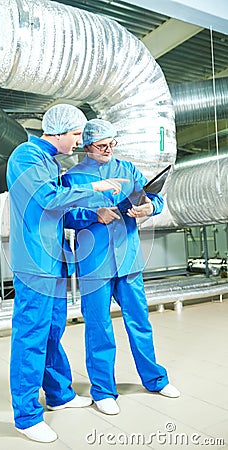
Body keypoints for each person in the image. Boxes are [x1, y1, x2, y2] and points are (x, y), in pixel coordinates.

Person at [6, 105, 128, 443]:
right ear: (59, 131)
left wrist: (94, 214)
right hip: (34, 263)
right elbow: (47, 199)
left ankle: (58, 394)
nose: (79, 141)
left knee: (52, 330)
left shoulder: (51, 162)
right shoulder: (26, 155)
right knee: (31, 335)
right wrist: (96, 188)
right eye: (77, 135)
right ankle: (27, 415)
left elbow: (63, 214)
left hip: (55, 259)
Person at [62, 118, 180, 416]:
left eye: (112, 144)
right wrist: (93, 214)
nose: (108, 150)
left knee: (140, 322)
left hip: (128, 260)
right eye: (102, 146)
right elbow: (64, 215)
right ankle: (103, 390)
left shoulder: (126, 169)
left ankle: (155, 379)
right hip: (95, 264)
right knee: (99, 328)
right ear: (87, 145)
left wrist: (148, 207)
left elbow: (153, 197)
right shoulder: (73, 177)